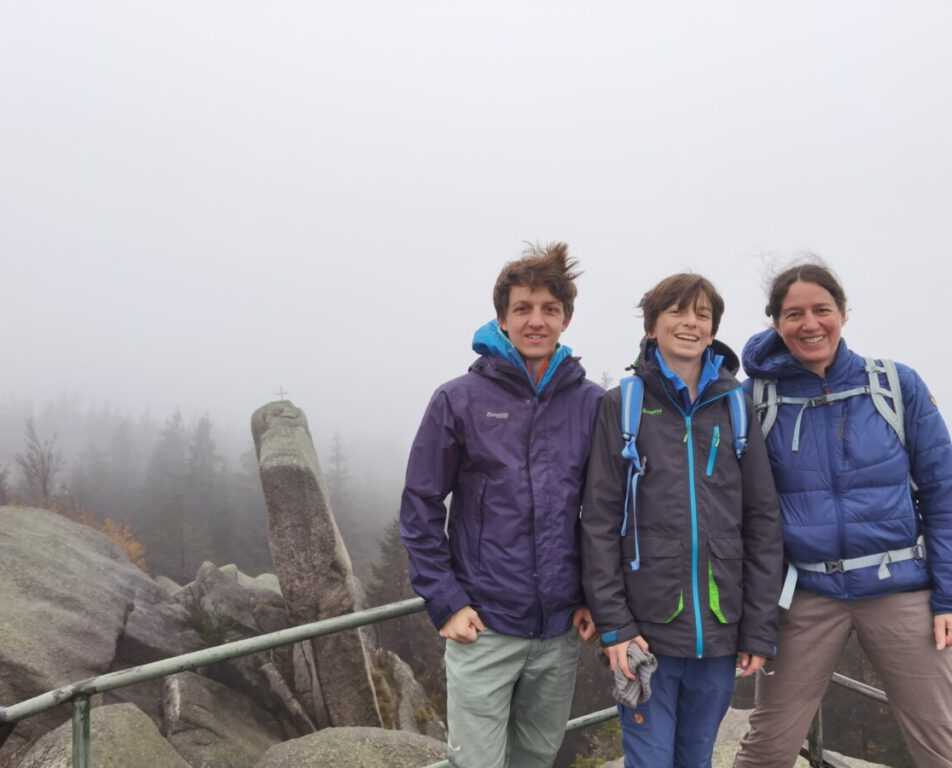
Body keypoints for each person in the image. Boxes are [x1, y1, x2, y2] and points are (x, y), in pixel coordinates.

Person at [733, 262, 952, 768]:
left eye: (821, 310)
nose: (810, 324)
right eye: (794, 314)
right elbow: (739, 509)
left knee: (940, 745)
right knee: (767, 749)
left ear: (843, 314)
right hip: (806, 593)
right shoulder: (755, 399)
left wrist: (946, 596)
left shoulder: (897, 385)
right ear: (776, 323)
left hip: (899, 587)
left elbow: (941, 494)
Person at [399, 242, 603, 768]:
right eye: (523, 309)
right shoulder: (459, 399)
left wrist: (594, 597)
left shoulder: (590, 404)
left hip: (559, 629)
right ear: (502, 319)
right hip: (483, 626)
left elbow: (604, 513)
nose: (536, 321)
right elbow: (421, 504)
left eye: (549, 309)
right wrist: (445, 601)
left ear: (566, 319)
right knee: (477, 763)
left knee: (536, 758)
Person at [581, 273, 783, 768]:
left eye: (702, 315)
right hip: (645, 633)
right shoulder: (622, 404)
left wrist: (757, 628)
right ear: (652, 326)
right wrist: (616, 627)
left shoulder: (736, 405)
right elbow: (599, 523)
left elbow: (762, 520)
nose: (690, 323)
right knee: (649, 761)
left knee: (697, 759)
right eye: (676, 311)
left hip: (719, 631)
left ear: (713, 331)